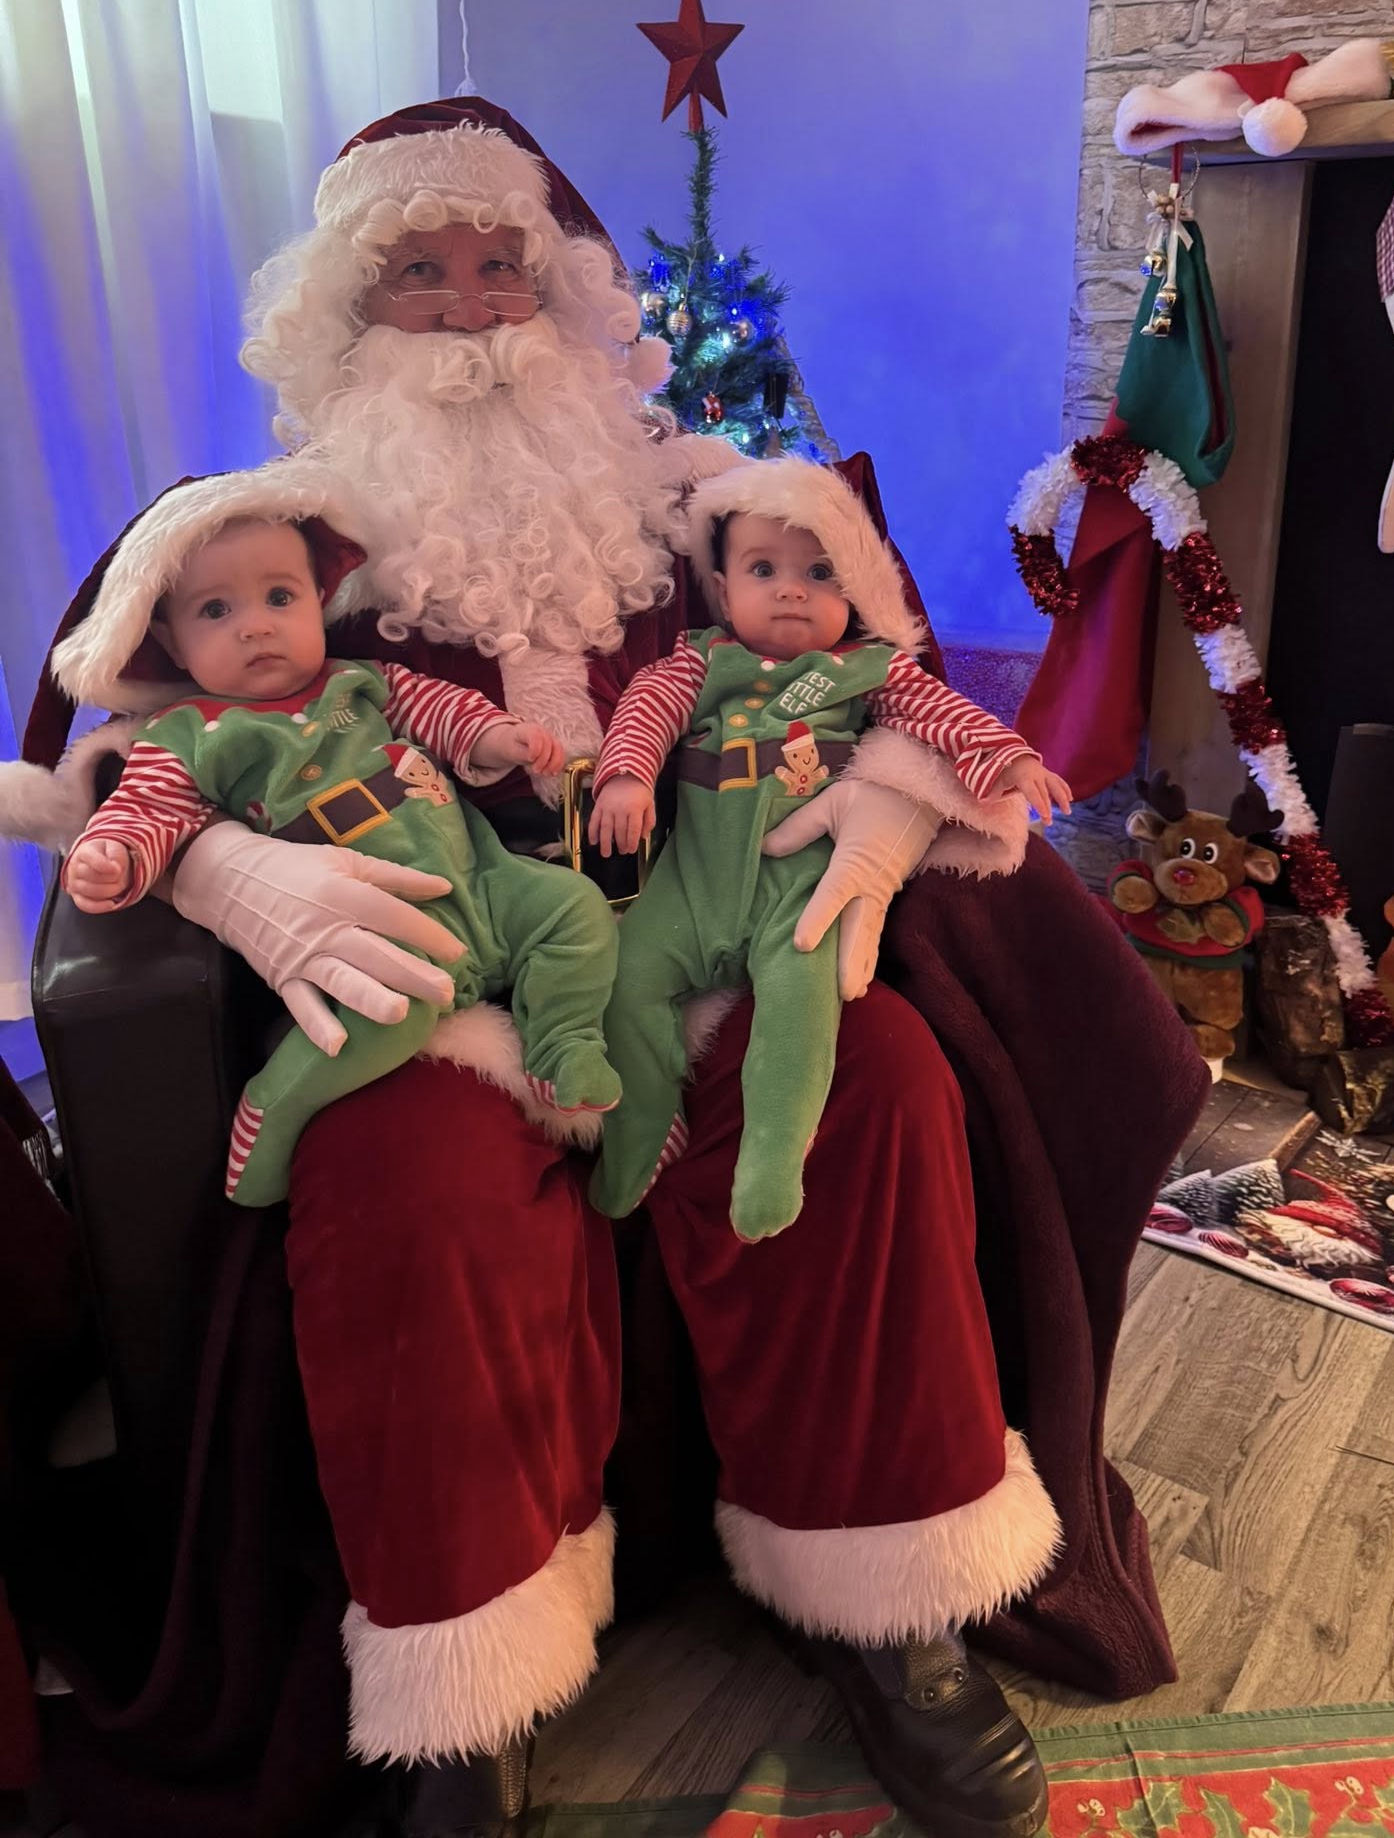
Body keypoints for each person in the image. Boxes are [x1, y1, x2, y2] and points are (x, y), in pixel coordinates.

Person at [7, 100, 1207, 1838]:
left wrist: (883, 811)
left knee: (876, 1084)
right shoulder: (268, 541)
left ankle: (888, 1595)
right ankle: (470, 1687)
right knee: (399, 1175)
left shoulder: (701, 507)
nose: (471, 310)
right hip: (440, 989)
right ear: (345, 313)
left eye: (502, 266)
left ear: (562, 295)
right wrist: (226, 864)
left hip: (704, 938)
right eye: (419, 274)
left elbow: (885, 663)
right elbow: (105, 737)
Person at [57, 479, 619, 1205]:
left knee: (574, 908)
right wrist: (113, 855)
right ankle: (278, 1101)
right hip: (371, 924)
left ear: (318, 603)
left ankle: (563, 1044)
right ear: (170, 640)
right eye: (216, 610)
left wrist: (494, 736)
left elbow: (444, 711)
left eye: (279, 597)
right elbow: (147, 808)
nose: (255, 627)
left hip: (485, 881)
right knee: (388, 1014)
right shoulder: (187, 733)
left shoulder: (361, 682)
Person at [590, 457, 1071, 1239]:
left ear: (857, 590)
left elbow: (943, 714)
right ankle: (642, 1128)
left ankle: (774, 1157)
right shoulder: (702, 661)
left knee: (803, 1001)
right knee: (628, 980)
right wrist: (627, 777)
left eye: (820, 573)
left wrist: (1009, 759)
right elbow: (646, 706)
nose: (792, 590)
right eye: (764, 570)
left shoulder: (868, 670)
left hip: (798, 886)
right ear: (724, 591)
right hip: (691, 885)